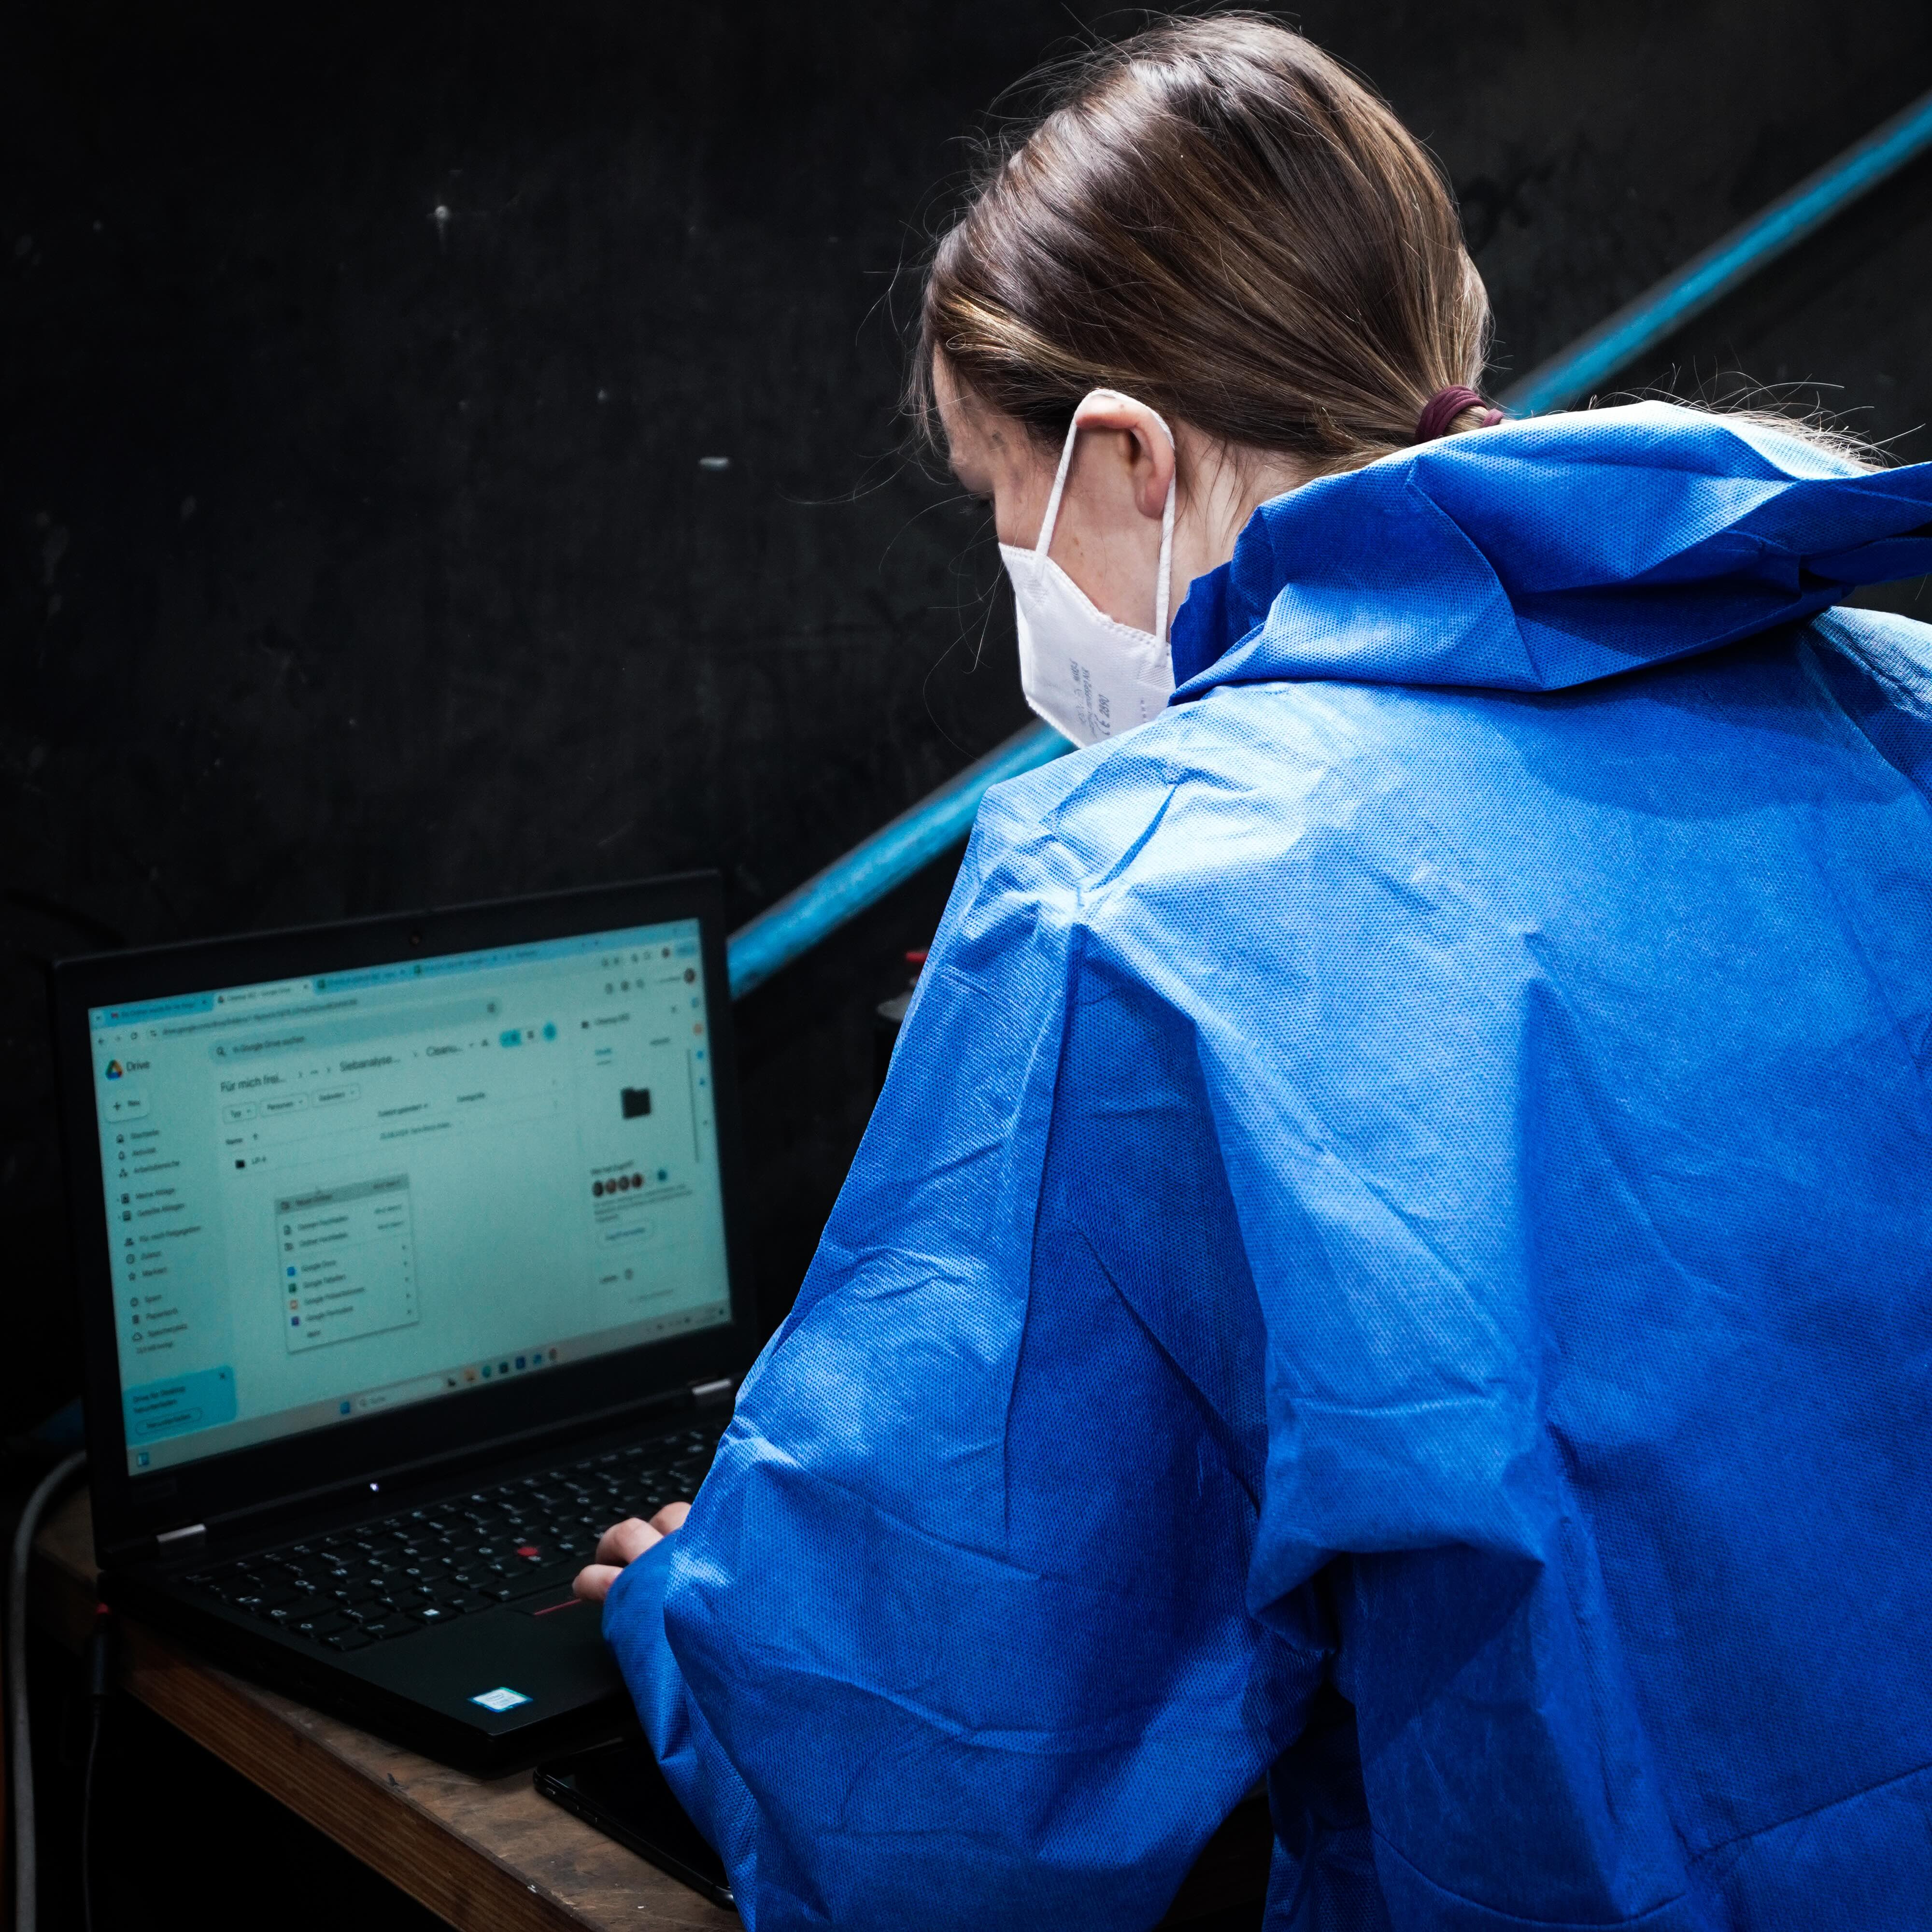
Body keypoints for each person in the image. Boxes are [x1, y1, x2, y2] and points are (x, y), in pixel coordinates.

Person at [582, 18, 1932, 1929]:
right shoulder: (1893, 699)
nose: (1019, 591)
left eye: (1002, 511)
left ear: (1122, 454)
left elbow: (937, 1790)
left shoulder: (1135, 892)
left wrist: (681, 1615)